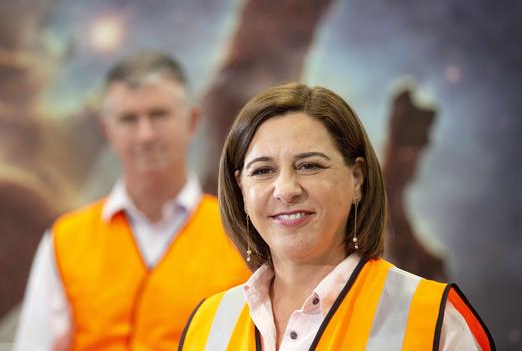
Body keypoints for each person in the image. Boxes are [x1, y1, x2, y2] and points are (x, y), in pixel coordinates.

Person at [179, 83, 494, 350]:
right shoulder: (207, 326)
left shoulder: (433, 319)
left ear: (357, 178)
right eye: (263, 171)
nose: (286, 189)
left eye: (310, 165)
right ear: (241, 191)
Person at [13, 51, 250, 351]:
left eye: (159, 115)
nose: (145, 135)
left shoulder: (239, 235)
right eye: (128, 119)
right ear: (107, 131)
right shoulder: (65, 240)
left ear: (192, 121)